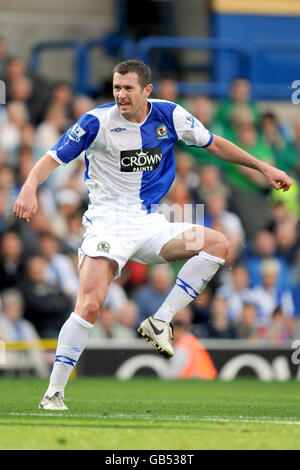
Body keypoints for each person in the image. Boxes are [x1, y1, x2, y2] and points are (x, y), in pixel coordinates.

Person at [13, 60, 293, 410]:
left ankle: (160, 321)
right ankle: (53, 394)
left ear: (147, 90)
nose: (120, 95)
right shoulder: (96, 122)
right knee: (89, 304)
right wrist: (28, 189)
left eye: (128, 88)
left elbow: (215, 144)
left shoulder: (170, 116)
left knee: (217, 243)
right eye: (117, 87)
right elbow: (51, 158)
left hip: (149, 224)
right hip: (108, 224)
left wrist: (264, 167)